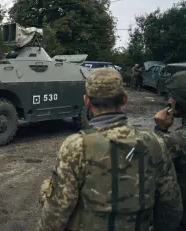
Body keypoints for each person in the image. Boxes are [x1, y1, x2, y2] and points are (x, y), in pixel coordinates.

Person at [37, 68, 182, 231]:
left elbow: (56, 213)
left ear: (86, 101)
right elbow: (171, 207)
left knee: (45, 188)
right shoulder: (156, 143)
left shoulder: (76, 146)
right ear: (125, 99)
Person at [153, 70, 186, 231]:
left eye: (171, 95)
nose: (168, 99)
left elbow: (151, 158)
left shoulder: (177, 140)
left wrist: (160, 128)